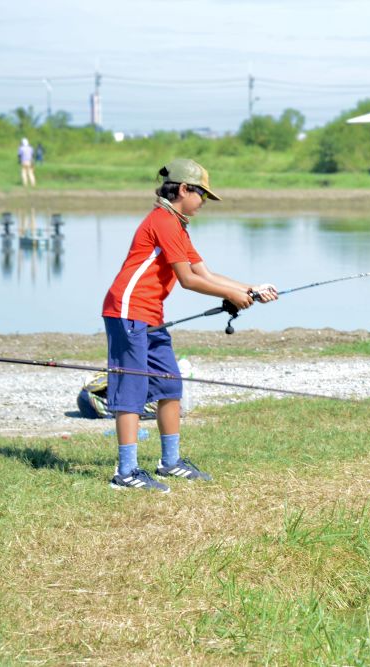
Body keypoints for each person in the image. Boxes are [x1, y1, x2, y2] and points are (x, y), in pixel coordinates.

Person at [101, 158, 278, 492]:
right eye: (203, 195)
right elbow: (186, 280)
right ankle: (125, 472)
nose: (204, 203)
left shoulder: (177, 225)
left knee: (170, 384)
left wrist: (249, 290)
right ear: (184, 189)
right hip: (127, 311)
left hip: (150, 313)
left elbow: (205, 275)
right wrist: (231, 294)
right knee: (132, 390)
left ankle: (170, 463)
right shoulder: (163, 222)